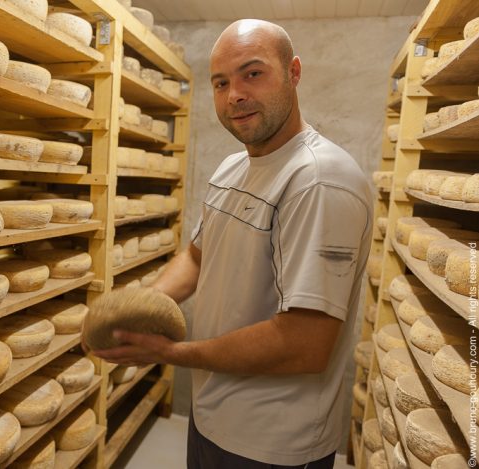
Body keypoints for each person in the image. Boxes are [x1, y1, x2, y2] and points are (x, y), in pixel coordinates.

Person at [93, 19, 373, 469]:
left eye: (253, 74)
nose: (234, 95)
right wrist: (143, 308)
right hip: (212, 414)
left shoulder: (320, 181)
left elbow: (305, 342)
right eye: (221, 82)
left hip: (273, 441)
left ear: (294, 72)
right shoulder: (231, 169)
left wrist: (169, 355)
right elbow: (197, 257)